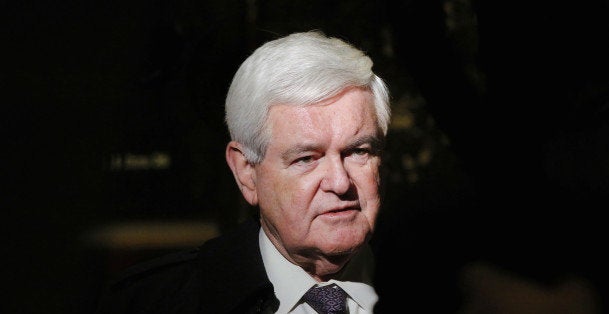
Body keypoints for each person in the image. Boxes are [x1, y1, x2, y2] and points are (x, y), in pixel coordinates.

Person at [94, 30, 391, 314]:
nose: (340, 183)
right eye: (306, 159)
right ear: (247, 172)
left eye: (358, 152)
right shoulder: (152, 303)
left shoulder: (432, 284)